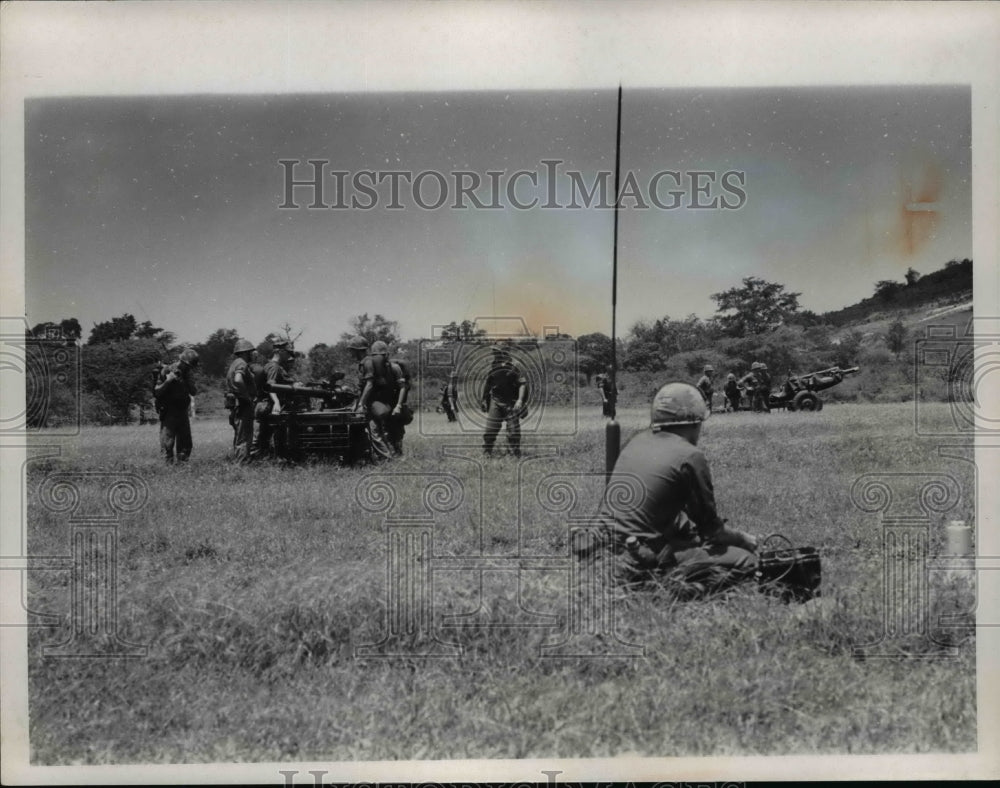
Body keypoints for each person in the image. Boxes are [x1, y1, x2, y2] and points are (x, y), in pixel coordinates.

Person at [594, 381, 759, 598]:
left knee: (687, 540)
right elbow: (712, 532)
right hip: (639, 560)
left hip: (600, 551)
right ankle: (667, 592)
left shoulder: (637, 441)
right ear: (695, 422)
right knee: (745, 561)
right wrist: (745, 539)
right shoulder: (690, 456)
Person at [347, 335, 404, 461]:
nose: (350, 352)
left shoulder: (367, 362)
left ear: (358, 350)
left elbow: (369, 384)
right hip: (374, 403)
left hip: (373, 403)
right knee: (375, 431)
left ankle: (387, 459)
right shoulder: (367, 362)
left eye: (351, 350)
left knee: (375, 432)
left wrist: (361, 404)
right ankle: (383, 457)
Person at [251, 340, 296, 458]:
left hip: (267, 404)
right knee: (266, 437)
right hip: (269, 405)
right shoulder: (274, 367)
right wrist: (276, 402)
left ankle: (263, 459)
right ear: (279, 351)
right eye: (287, 352)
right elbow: (271, 386)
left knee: (264, 437)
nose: (289, 356)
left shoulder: (273, 366)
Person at [153, 348, 199, 464]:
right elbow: (157, 391)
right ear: (182, 362)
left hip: (182, 411)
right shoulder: (166, 371)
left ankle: (182, 467)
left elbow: (193, 391)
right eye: (187, 366)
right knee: (167, 443)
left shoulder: (187, 373)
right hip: (169, 411)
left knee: (186, 443)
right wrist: (169, 381)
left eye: (190, 367)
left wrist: (186, 381)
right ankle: (167, 468)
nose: (189, 368)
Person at [480, 345, 527, 457]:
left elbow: (522, 384)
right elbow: (488, 383)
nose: (494, 354)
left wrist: (520, 401)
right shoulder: (493, 365)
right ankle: (487, 451)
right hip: (496, 400)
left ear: (504, 352)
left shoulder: (515, 365)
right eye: (493, 351)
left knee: (513, 430)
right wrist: (483, 399)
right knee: (490, 428)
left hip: (511, 401)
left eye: (496, 351)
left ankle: (514, 453)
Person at [377, 342, 413, 457]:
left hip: (395, 406)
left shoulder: (397, 373)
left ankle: (396, 452)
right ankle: (395, 452)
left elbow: (402, 391)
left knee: (394, 431)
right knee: (394, 431)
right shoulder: (396, 376)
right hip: (392, 406)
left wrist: (397, 406)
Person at [225, 338, 258, 463]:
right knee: (244, 436)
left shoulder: (235, 363)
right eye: (250, 352)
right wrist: (247, 396)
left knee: (240, 435)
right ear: (245, 352)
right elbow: (238, 380)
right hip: (243, 404)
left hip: (236, 405)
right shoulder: (241, 364)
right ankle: (242, 464)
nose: (252, 354)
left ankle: (239, 461)